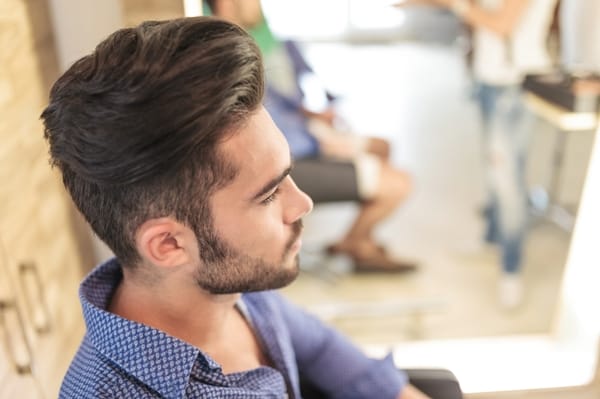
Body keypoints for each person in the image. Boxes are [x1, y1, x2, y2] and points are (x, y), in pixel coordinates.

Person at [42, 17, 431, 398]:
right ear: (169, 245)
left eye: (287, 176)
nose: (303, 204)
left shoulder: (230, 283)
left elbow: (319, 347)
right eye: (268, 195)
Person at [207, 0, 417, 274]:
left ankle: (359, 240)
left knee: (381, 148)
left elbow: (280, 103)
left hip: (297, 141)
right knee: (399, 183)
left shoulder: (261, 40)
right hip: (289, 158)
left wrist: (315, 122)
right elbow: (268, 122)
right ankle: (357, 242)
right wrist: (321, 140)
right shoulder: (227, 55)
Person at [397, 0, 558, 307]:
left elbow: (502, 24)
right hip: (491, 81)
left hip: (513, 86)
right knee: (496, 173)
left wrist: (457, 7)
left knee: (508, 183)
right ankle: (492, 241)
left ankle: (511, 271)